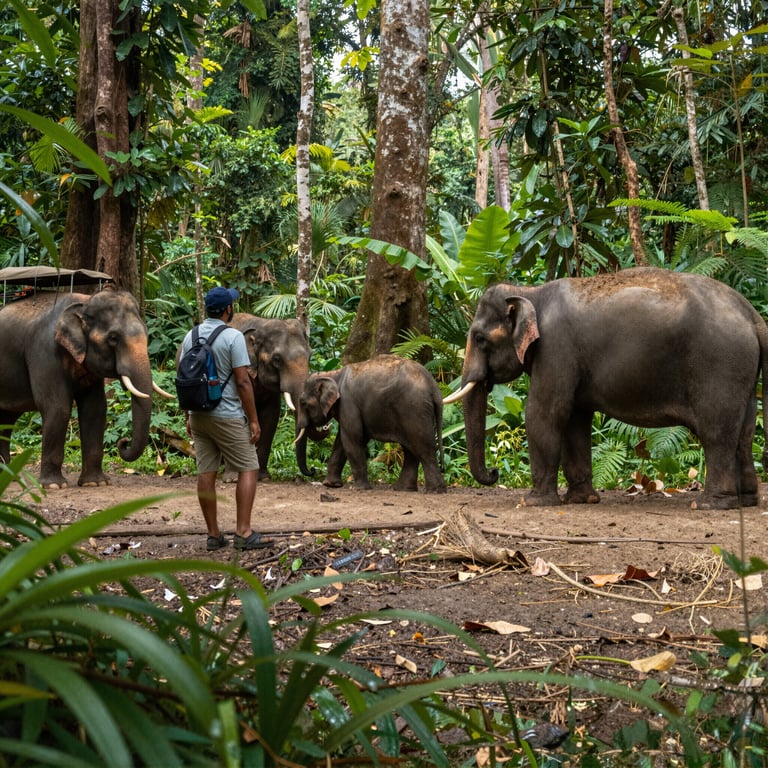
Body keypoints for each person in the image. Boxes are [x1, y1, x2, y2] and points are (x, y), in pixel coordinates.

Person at [181, 286, 273, 551]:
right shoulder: (233, 336)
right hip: (228, 415)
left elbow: (186, 379)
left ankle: (213, 534)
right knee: (249, 467)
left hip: (199, 414)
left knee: (206, 471)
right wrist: (254, 420)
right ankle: (243, 532)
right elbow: (244, 382)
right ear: (228, 309)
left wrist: (188, 416)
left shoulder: (191, 335)